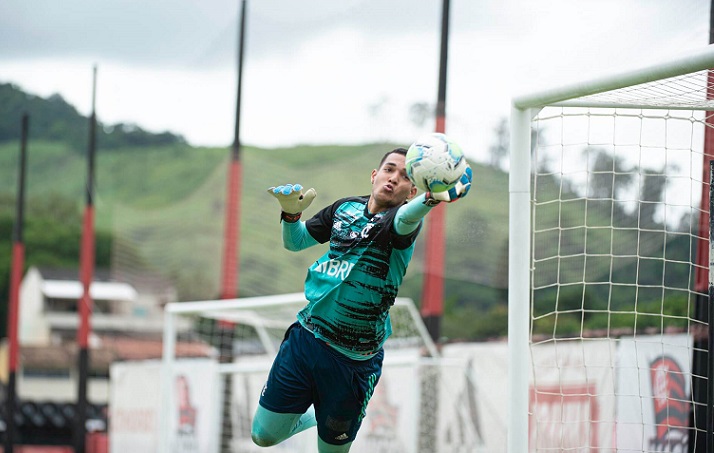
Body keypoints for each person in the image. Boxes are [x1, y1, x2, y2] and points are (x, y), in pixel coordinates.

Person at [251, 147, 472, 452]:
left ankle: (328, 412)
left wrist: (433, 198)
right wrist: (290, 215)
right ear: (374, 175)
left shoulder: (401, 222)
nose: (394, 178)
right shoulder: (345, 209)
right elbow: (296, 242)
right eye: (389, 169)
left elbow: (407, 218)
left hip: (353, 362)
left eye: (405, 176)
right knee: (262, 436)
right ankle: (316, 415)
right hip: (306, 340)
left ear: (412, 190)